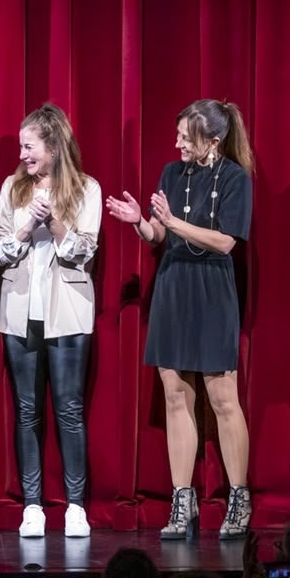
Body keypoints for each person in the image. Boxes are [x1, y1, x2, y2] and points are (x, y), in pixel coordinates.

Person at [106, 99, 255, 540]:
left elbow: (226, 241)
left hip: (211, 291)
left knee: (222, 396)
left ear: (212, 140)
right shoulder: (173, 174)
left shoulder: (235, 179)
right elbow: (159, 232)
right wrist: (141, 224)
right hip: (173, 288)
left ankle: (239, 497)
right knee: (175, 395)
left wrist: (173, 222)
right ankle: (182, 499)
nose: (176, 144)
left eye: (184, 137)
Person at [0, 104, 101, 538]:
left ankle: (75, 506)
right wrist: (22, 230)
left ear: (53, 146)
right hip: (20, 313)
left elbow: (84, 251)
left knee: (69, 411)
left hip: (68, 314)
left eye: (29, 146)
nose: (24, 155)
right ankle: (31, 505)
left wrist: (52, 221)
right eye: (21, 147)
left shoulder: (86, 189)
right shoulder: (13, 188)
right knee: (27, 410)